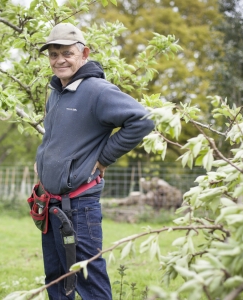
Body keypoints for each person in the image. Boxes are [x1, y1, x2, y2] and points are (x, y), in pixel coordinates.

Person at [34, 23, 155, 299]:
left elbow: (143, 120)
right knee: (56, 278)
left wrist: (104, 158)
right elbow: (58, 138)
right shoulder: (57, 91)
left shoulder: (97, 90)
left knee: (87, 277)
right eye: (53, 54)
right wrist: (41, 162)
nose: (59, 60)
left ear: (84, 53)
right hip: (51, 203)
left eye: (66, 53)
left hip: (79, 205)